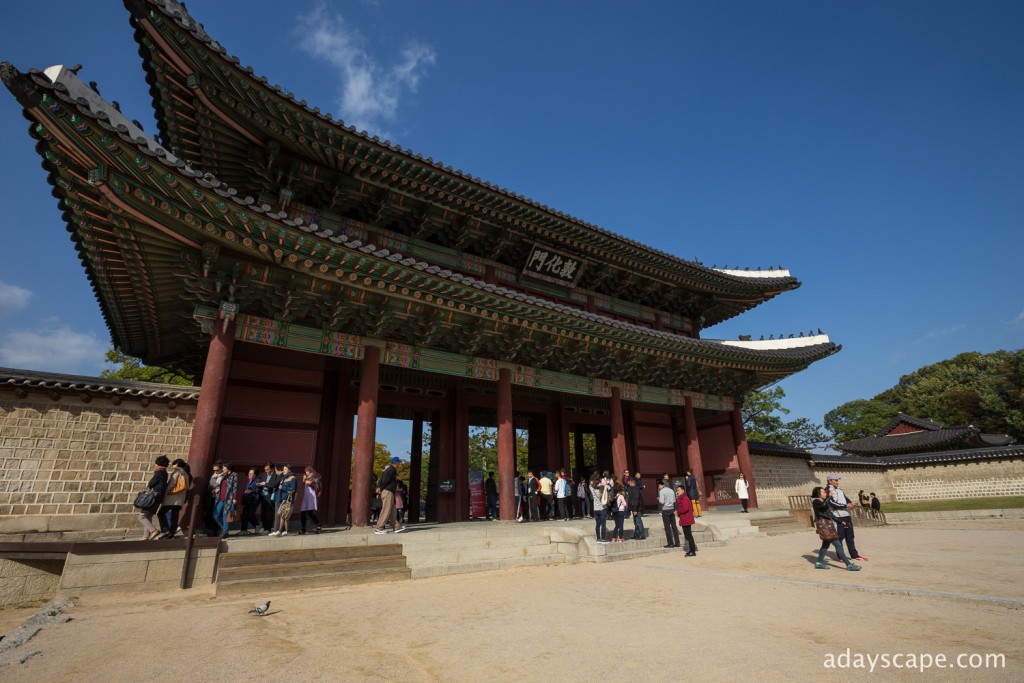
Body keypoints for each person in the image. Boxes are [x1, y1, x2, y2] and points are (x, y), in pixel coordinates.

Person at [811, 486, 861, 571]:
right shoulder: (816, 501)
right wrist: (829, 497)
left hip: (828, 526)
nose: (825, 494)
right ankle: (849, 565)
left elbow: (829, 514)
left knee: (825, 545)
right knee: (838, 545)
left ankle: (819, 562)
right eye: (823, 492)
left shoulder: (822, 501)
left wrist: (840, 521)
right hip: (825, 527)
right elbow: (823, 506)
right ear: (818, 494)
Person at [825, 475, 867, 561]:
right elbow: (830, 503)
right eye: (835, 480)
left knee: (850, 536)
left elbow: (846, 499)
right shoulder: (828, 490)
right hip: (838, 517)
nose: (837, 482)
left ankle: (854, 555)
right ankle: (841, 556)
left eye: (837, 480)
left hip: (846, 515)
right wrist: (845, 505)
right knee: (840, 537)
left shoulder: (839, 490)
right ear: (830, 481)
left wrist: (851, 504)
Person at [137, 456, 169, 541]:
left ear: (158, 463)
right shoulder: (165, 472)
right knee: (148, 516)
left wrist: (149, 484)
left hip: (153, 498)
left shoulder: (159, 472)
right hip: (159, 498)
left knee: (142, 516)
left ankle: (154, 530)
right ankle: (145, 536)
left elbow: (151, 483)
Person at [157, 458, 189, 539]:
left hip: (172, 497)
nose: (172, 465)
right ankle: (171, 533)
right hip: (179, 499)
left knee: (160, 513)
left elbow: (172, 483)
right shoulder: (185, 473)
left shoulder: (177, 472)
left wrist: (165, 491)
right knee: (175, 516)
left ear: (177, 465)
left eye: (174, 464)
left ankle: (166, 530)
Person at [374, 457, 406, 534]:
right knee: (386, 510)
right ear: (397, 463)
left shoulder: (389, 469)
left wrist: (379, 487)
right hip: (387, 492)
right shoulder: (391, 470)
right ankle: (379, 528)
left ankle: (396, 527)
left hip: (389, 492)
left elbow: (382, 479)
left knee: (392, 511)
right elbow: (384, 480)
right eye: (399, 462)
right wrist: (380, 487)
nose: (400, 464)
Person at [214, 462, 239, 539]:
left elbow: (235, 488)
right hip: (221, 498)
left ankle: (225, 532)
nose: (223, 468)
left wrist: (234, 498)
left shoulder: (235, 475)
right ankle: (224, 528)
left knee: (225, 515)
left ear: (228, 467)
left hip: (229, 498)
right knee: (215, 514)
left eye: (224, 467)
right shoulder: (225, 475)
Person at [270, 464, 297, 536]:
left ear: (289, 470)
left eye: (285, 469)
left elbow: (292, 489)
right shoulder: (284, 478)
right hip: (282, 499)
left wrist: (283, 488)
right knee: (282, 515)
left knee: (285, 516)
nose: (283, 471)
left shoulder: (293, 478)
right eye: (283, 469)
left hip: (288, 500)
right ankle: (280, 531)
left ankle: (285, 531)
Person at [257, 462, 280, 534]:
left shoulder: (275, 475)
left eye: (267, 469)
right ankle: (265, 528)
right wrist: (259, 484)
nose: (266, 471)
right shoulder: (264, 474)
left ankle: (268, 528)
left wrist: (265, 484)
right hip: (263, 495)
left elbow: (275, 484)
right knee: (263, 513)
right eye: (265, 469)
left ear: (272, 469)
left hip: (270, 496)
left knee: (269, 513)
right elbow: (261, 481)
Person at [675, 485, 697, 556]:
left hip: (686, 518)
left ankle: (692, 551)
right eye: (677, 490)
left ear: (683, 490)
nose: (677, 491)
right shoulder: (681, 498)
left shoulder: (685, 498)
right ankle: (691, 550)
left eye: (678, 490)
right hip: (684, 518)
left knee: (688, 535)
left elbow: (685, 508)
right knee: (687, 535)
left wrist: (677, 512)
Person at [299, 466, 322, 534]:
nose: (306, 472)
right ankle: (303, 529)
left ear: (311, 471)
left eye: (307, 471)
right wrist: (304, 480)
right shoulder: (306, 477)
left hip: (312, 496)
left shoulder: (315, 476)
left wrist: (308, 481)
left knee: (309, 512)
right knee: (302, 512)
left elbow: (316, 486)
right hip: (306, 496)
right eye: (305, 471)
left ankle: (318, 524)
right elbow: (305, 484)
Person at [205, 463, 225, 536]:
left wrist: (219, 489)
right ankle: (210, 530)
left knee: (217, 514)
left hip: (219, 498)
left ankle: (217, 530)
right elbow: (209, 487)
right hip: (212, 497)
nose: (215, 472)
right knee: (210, 514)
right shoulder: (213, 477)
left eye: (217, 470)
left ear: (221, 469)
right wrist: (212, 490)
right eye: (214, 470)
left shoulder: (224, 477)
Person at [658, 479, 680, 548]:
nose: (659, 487)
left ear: (661, 485)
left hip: (665, 509)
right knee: (674, 526)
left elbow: (662, 501)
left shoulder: (661, 491)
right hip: (672, 509)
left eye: (659, 486)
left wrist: (659, 499)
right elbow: (674, 500)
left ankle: (670, 543)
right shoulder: (671, 490)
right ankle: (677, 542)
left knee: (667, 527)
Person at [240, 468, 261, 536]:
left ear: (255, 475)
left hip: (254, 500)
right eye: (249, 473)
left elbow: (259, 490)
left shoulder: (258, 480)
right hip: (247, 500)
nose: (250, 475)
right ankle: (243, 530)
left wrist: (251, 491)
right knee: (244, 515)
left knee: (250, 515)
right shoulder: (249, 481)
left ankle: (257, 525)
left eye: (251, 473)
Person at [589, 473, 610, 544]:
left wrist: (594, 482)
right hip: (602, 508)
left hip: (596, 509)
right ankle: (603, 539)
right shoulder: (602, 489)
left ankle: (598, 538)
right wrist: (603, 484)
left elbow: (590, 485)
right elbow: (609, 488)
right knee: (603, 524)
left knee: (598, 524)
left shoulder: (592, 489)